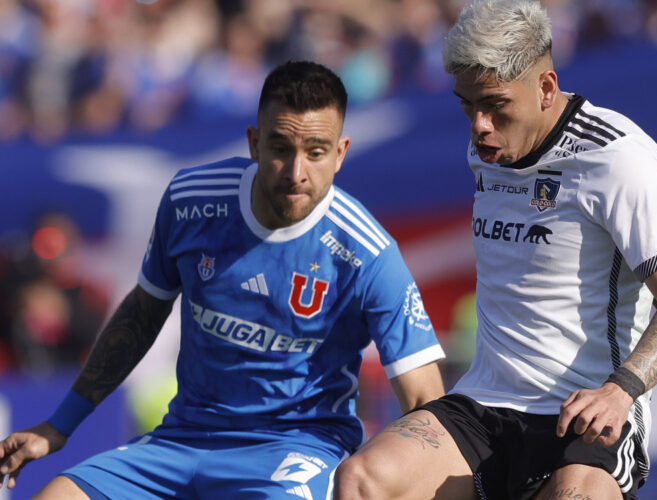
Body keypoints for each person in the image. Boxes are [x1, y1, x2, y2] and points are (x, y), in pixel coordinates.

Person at [333, 1, 657, 499]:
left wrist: (624, 386)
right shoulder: (488, 148)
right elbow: (568, 269)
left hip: (586, 410)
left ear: (545, 88)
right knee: (363, 481)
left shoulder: (618, 157)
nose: (479, 124)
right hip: (485, 402)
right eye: (467, 105)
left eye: (495, 105)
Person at [0, 60, 446, 499]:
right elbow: (140, 315)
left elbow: (425, 399)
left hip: (296, 449)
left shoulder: (367, 252)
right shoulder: (190, 201)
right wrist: (57, 427)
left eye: (315, 152)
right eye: (280, 148)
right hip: (180, 441)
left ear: (341, 153)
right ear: (254, 143)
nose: (296, 172)